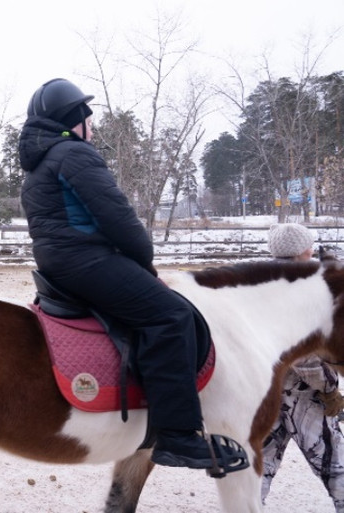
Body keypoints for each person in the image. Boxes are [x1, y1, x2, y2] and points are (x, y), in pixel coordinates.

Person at [18, 78, 246, 472]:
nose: (92, 126)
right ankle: (177, 435)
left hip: (59, 261)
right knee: (170, 315)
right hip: (87, 260)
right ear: (75, 121)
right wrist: (144, 261)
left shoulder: (39, 164)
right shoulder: (74, 153)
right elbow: (117, 217)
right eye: (87, 118)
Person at [262, 223, 344, 510]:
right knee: (336, 467)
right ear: (299, 251)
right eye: (309, 245)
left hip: (263, 391)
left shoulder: (259, 283)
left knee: (256, 468)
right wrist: (330, 388)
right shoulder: (300, 289)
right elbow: (302, 355)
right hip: (303, 394)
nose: (312, 249)